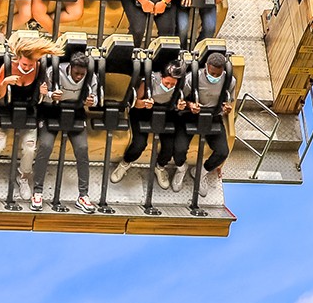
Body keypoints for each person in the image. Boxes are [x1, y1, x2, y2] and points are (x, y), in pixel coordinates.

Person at [0, 33, 62, 193]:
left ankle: (24, 177)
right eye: (24, 64)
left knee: (29, 148)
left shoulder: (39, 69)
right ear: (18, 58)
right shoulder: (6, 67)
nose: (27, 67)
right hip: (3, 108)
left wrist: (44, 92)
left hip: (27, 110)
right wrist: (5, 83)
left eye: (30, 65)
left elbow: (45, 95)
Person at [29, 51, 99, 212]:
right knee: (45, 146)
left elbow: (95, 98)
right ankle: (37, 192)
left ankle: (83, 195)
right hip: (52, 111)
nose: (79, 77)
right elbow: (41, 95)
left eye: (82, 74)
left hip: (75, 113)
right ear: (70, 67)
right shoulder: (53, 72)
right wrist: (50, 95)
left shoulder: (90, 77)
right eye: (76, 73)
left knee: (82, 149)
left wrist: (91, 101)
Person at [110, 60, 185, 189]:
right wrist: (144, 103)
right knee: (139, 144)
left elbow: (180, 102)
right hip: (144, 111)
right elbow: (136, 103)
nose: (168, 87)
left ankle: (160, 167)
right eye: (166, 83)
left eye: (172, 84)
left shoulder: (178, 86)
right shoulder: (149, 81)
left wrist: (179, 106)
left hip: (165, 112)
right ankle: (125, 163)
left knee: (169, 147)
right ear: (161, 77)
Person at [182, 51, 234, 196]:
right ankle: (180, 169)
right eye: (212, 73)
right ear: (206, 67)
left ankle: (200, 172)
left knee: (223, 152)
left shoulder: (230, 81)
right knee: (179, 148)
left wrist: (226, 108)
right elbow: (181, 100)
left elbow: (229, 100)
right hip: (192, 115)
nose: (215, 77)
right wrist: (189, 105)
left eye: (218, 74)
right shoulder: (192, 78)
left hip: (214, 116)